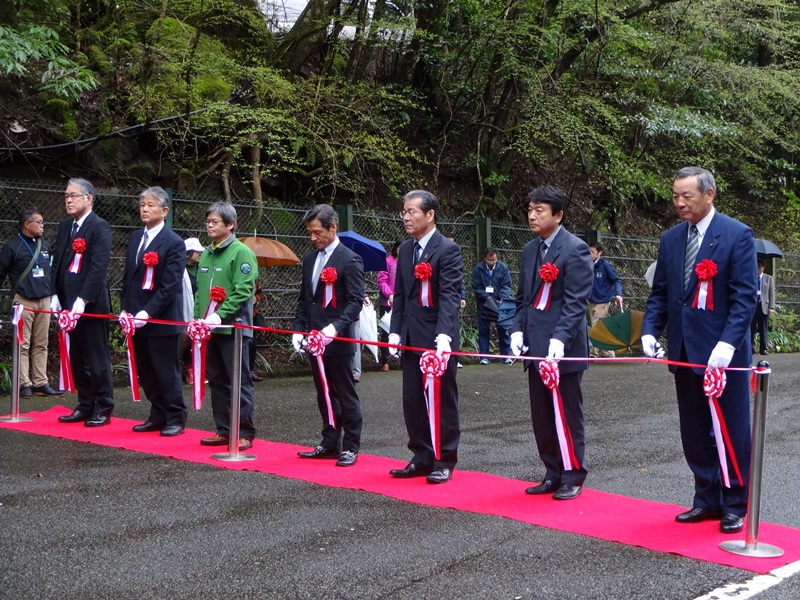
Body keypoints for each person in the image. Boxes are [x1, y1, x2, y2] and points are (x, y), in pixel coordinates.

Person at [641, 166, 757, 534]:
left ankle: (736, 503)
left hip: (724, 355)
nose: (679, 203)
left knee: (731, 430)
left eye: (686, 196)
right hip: (684, 350)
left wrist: (728, 344)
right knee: (694, 429)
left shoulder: (737, 235)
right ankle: (706, 499)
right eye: (675, 196)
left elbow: (743, 299)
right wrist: (649, 330)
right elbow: (661, 292)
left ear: (709, 194)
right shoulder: (671, 238)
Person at [510, 185, 593, 501]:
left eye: (539, 210)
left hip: (563, 347)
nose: (532, 215)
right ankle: (552, 471)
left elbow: (575, 303)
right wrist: (517, 331)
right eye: (530, 209)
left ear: (558, 215)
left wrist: (559, 340)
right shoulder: (531, 250)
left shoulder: (575, 249)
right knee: (542, 414)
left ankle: (573, 473)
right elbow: (522, 299)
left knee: (567, 412)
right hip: (535, 346)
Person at [388, 190, 463, 484]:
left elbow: (448, 297)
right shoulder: (406, 250)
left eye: (412, 212)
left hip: (435, 337)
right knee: (413, 400)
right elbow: (401, 295)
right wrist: (394, 331)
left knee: (441, 400)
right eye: (403, 212)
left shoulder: (448, 250)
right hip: (410, 335)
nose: (406, 217)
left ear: (430, 215)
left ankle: (444, 459)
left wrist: (444, 336)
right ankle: (420, 455)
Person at [292, 204, 365, 467]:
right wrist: (298, 330)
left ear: (333, 227)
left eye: (317, 232)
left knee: (345, 393)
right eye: (310, 233)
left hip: (338, 338)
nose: (313, 238)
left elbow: (355, 301)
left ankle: (351, 446)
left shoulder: (350, 259)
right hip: (314, 338)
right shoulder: (311, 259)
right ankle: (329, 441)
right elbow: (305, 299)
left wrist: (335, 328)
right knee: (323, 392)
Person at [120, 187, 187, 436]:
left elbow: (170, 285)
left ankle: (175, 416)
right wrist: (126, 310)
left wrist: (147, 313)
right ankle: (157, 413)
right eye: (142, 205)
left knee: (165, 370)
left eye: (150, 205)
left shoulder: (173, 243)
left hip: (161, 319)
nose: (145, 209)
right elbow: (128, 278)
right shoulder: (136, 238)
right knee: (146, 370)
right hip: (135, 319)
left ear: (164, 210)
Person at [195, 202, 258, 451]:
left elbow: (243, 289)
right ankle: (224, 429)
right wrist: (198, 318)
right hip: (210, 329)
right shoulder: (207, 253)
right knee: (218, 380)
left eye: (215, 222)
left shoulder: (242, 253)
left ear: (230, 225)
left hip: (234, 328)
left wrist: (220, 315)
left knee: (239, 381)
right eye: (208, 221)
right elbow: (200, 291)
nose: (210, 225)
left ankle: (244, 431)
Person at [52, 178, 115, 426]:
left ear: (89, 198)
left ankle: (104, 405)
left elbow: (98, 267)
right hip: (68, 303)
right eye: (66, 195)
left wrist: (83, 299)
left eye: (74, 195)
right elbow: (58, 261)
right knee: (77, 357)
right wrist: (55, 294)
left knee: (96, 358)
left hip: (90, 305)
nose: (68, 200)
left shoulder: (99, 227)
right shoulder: (66, 226)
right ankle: (85, 403)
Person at [0, 208, 62, 398]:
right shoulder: (12, 246)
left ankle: (40, 381)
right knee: (23, 343)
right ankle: (23, 383)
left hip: (43, 300)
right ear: (27, 224)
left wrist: (54, 296)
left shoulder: (45, 245)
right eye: (39, 222)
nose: (43, 226)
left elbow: (52, 271)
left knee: (41, 343)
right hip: (23, 300)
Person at [470, 247, 513, 365]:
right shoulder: (478, 269)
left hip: (499, 304)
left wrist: (501, 297)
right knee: (484, 330)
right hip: (484, 305)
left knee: (503, 329)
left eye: (494, 260)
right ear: (485, 258)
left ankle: (505, 356)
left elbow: (507, 285)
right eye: (489, 260)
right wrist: (486, 297)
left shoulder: (503, 268)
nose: (491, 262)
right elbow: (476, 286)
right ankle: (484, 357)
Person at [587, 242, 623, 358]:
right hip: (592, 301)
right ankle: (607, 352)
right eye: (589, 252)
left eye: (592, 252)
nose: (590, 254)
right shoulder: (588, 264)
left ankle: (594, 353)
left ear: (599, 252)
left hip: (602, 301)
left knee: (596, 325)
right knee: (600, 326)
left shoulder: (605, 265)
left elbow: (616, 280)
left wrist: (618, 294)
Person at [180, 237, 203, 384]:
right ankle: (187, 370)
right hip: (184, 308)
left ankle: (196, 370)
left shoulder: (202, 268)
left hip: (199, 308)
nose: (200, 253)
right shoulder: (180, 268)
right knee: (184, 338)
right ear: (188, 253)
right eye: (197, 251)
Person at [376, 240, 401, 372]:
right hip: (388, 302)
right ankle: (385, 361)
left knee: (404, 331)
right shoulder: (388, 261)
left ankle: (403, 359)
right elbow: (382, 280)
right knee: (386, 331)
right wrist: (390, 294)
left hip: (403, 303)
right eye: (399, 248)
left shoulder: (409, 262)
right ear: (395, 248)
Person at [750, 261, 775, 355]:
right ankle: (751, 348)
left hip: (763, 306)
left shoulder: (768, 278)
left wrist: (771, 306)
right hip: (753, 306)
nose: (758, 269)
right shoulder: (751, 277)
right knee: (751, 329)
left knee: (763, 329)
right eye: (756, 266)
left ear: (763, 268)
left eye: (759, 267)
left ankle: (763, 348)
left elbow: (771, 293)